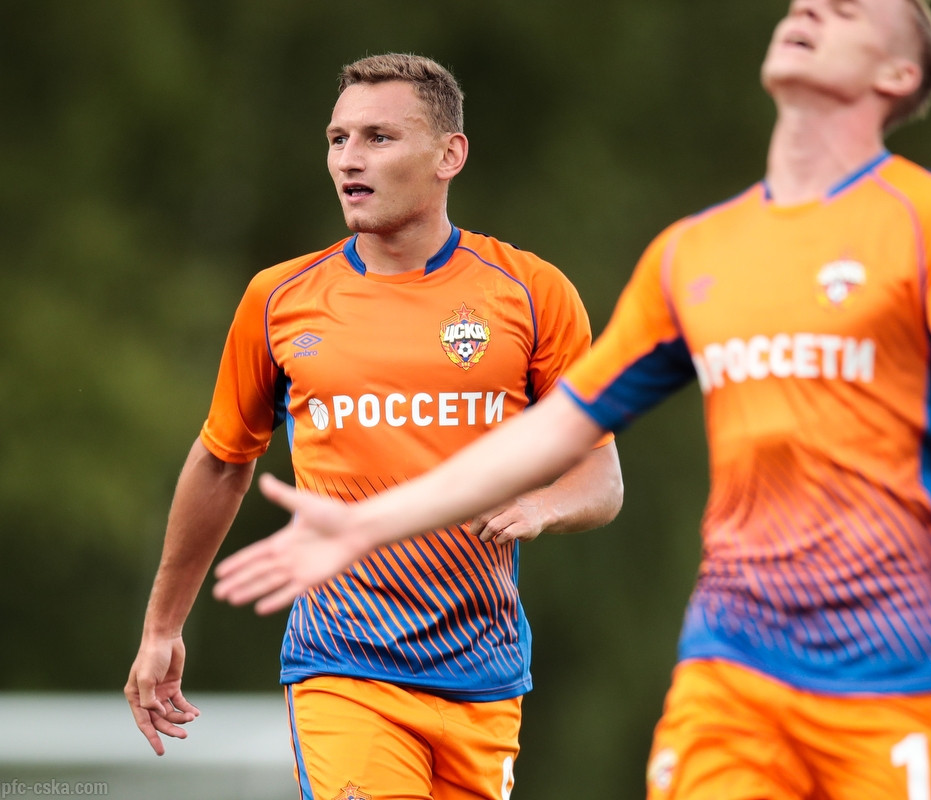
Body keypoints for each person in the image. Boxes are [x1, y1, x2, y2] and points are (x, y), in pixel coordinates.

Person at [213, 2, 931, 798]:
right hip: (731, 670)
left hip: (903, 671)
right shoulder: (692, 253)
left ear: (898, 74)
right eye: (802, 4)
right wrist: (367, 523)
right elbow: (556, 432)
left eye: (846, 9)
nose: (809, 10)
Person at [124, 53, 623, 800]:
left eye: (378, 138)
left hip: (486, 673)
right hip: (342, 660)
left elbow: (601, 478)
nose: (348, 160)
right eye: (338, 139)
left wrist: (542, 506)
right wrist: (162, 625)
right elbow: (223, 461)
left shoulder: (532, 291)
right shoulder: (280, 298)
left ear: (449, 155)